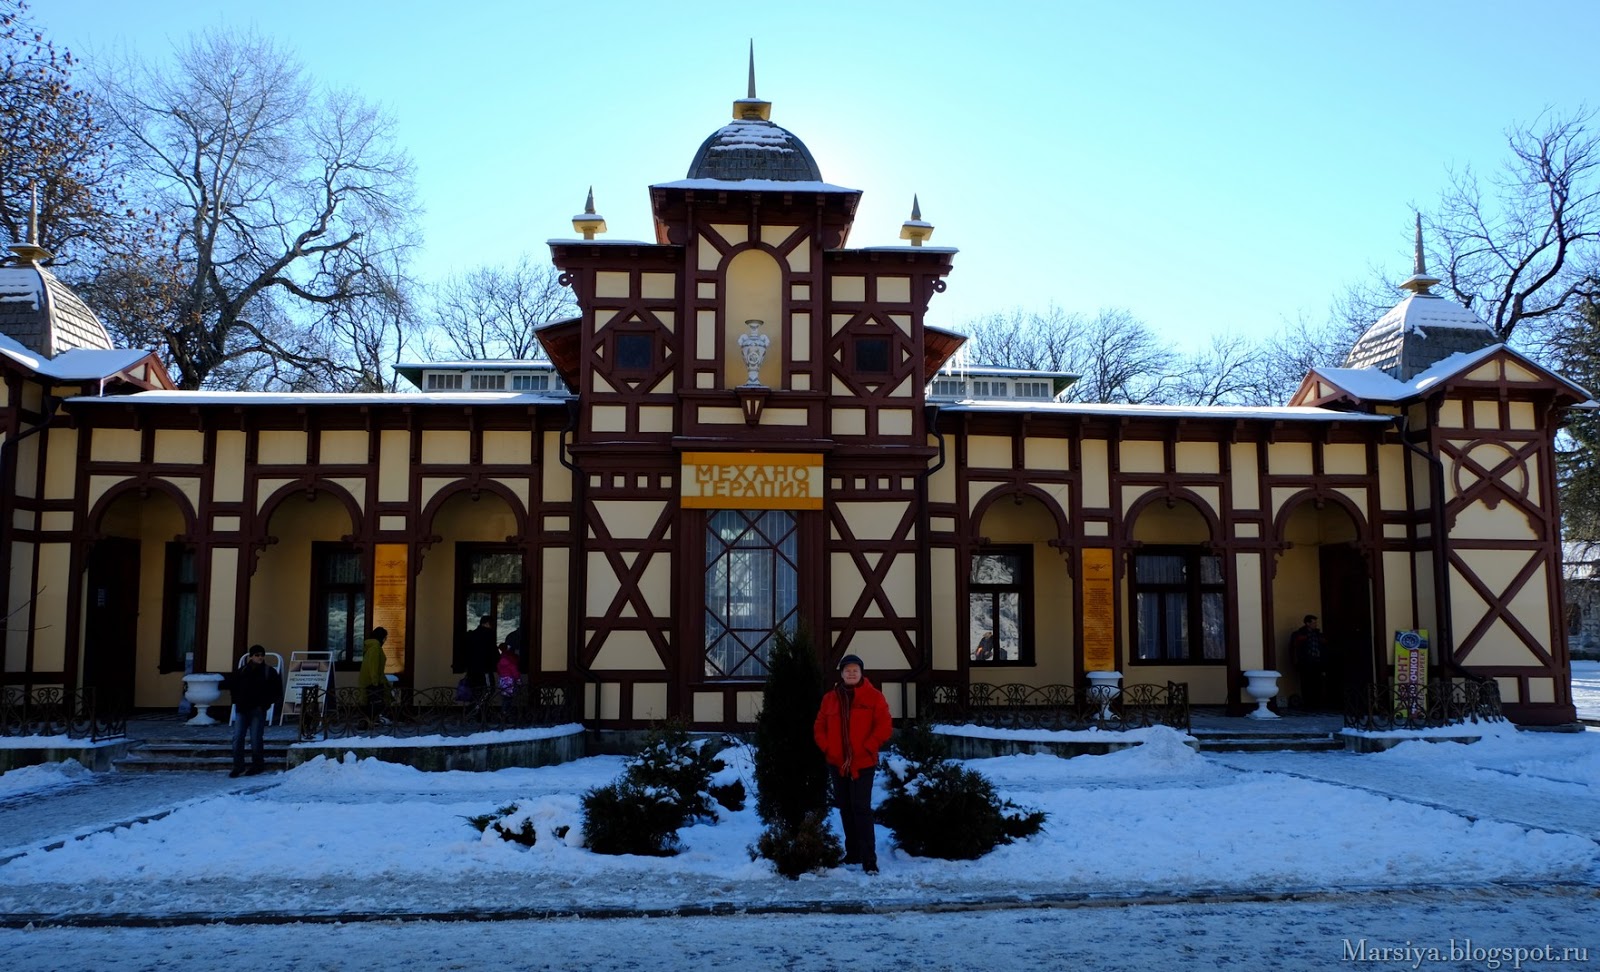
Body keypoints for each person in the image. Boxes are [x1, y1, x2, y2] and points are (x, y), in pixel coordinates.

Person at [812, 653, 893, 874]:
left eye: (855, 670)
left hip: (863, 763)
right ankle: (853, 853)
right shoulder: (830, 698)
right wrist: (828, 748)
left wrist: (870, 745)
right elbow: (819, 727)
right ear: (841, 673)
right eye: (847, 670)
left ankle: (869, 860)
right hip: (837, 764)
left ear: (861, 673)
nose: (851, 673)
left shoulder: (874, 697)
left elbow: (884, 725)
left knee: (861, 809)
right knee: (846, 809)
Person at [225, 644, 282, 778]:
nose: (260, 657)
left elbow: (277, 690)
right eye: (257, 655)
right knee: (238, 738)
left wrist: (265, 704)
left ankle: (257, 765)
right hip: (242, 708)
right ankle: (238, 766)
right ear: (251, 657)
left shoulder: (269, 672)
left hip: (258, 709)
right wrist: (236, 701)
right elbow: (233, 687)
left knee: (256, 739)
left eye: (262, 655)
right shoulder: (242, 671)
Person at [1289, 614, 1327, 707]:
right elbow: (1294, 648)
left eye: (1316, 622)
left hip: (1317, 662)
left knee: (1317, 682)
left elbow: (1324, 646)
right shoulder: (1299, 634)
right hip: (1305, 662)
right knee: (1306, 683)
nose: (1315, 624)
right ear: (1307, 623)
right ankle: (1308, 703)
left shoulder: (1318, 634)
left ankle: (1317, 703)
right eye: (1313, 623)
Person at [359, 627, 390, 724]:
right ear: (381, 638)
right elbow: (374, 667)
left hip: (368, 681)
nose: (385, 640)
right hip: (373, 683)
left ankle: (373, 719)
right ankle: (375, 720)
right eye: (385, 638)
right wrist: (376, 683)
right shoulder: (375, 648)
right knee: (377, 701)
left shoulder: (371, 647)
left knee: (371, 703)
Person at [464, 615, 498, 698]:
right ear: (487, 623)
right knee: (489, 689)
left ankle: (475, 708)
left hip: (472, 669)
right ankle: (481, 708)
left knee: (475, 691)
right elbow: (493, 652)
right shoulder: (489, 635)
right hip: (485, 669)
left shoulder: (471, 635)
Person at [496, 642, 523, 715]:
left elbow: (499, 670)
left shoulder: (501, 660)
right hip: (510, 680)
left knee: (505, 697)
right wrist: (518, 680)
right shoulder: (512, 660)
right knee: (510, 698)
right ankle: (506, 712)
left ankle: (504, 711)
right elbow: (515, 671)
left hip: (503, 680)